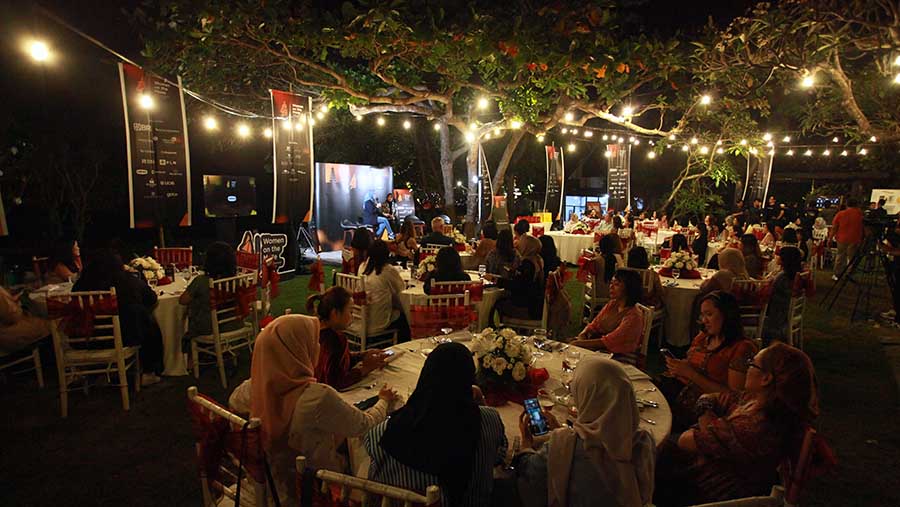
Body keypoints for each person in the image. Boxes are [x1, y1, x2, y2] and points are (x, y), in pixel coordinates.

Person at [229, 314, 400, 505]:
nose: (318, 347)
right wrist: (384, 401)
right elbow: (365, 424)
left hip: (265, 481)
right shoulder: (316, 397)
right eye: (313, 341)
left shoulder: (245, 392)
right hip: (317, 488)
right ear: (298, 349)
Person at [654, 343, 818, 506]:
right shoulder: (758, 401)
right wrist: (710, 417)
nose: (747, 368)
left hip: (706, 492)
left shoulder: (754, 427)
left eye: (752, 364)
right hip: (704, 470)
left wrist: (704, 413)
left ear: (766, 378)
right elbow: (716, 397)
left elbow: (686, 440)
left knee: (642, 456)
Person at [365, 342, 507, 507]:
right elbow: (499, 457)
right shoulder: (489, 420)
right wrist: (481, 404)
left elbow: (373, 490)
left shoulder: (380, 435)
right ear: (469, 381)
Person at [515, 356, 655, 507]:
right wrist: (562, 430)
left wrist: (525, 444)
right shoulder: (644, 441)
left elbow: (530, 471)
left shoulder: (564, 445)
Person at [660, 291, 759, 431]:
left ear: (726, 314)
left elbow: (734, 397)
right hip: (680, 388)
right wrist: (679, 367)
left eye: (709, 314)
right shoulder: (704, 337)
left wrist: (690, 374)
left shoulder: (741, 348)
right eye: (702, 315)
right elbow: (692, 365)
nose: (704, 320)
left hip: (704, 407)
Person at [73, 249, 164, 386]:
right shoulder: (125, 281)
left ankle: (97, 373)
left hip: (87, 338)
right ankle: (148, 371)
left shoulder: (80, 285)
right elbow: (151, 299)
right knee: (147, 321)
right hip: (124, 338)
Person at [308, 286, 387, 390]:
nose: (352, 316)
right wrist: (365, 369)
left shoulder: (315, 330)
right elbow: (336, 382)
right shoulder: (334, 339)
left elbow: (338, 363)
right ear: (335, 313)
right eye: (350, 311)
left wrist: (363, 355)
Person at [179, 242, 243, 356]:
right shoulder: (238, 280)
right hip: (235, 323)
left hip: (210, 328)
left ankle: (187, 358)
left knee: (191, 318)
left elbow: (182, 301)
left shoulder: (201, 281)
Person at [571, 269, 645, 362]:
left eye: (616, 284)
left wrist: (580, 343)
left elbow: (609, 342)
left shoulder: (633, 316)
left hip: (620, 355)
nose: (611, 287)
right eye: (611, 283)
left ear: (629, 289)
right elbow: (594, 324)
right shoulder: (613, 304)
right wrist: (583, 334)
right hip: (602, 348)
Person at [358, 240, 410, 342]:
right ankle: (403, 345)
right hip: (379, 320)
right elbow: (402, 291)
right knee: (405, 317)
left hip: (362, 318)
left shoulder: (362, 267)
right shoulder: (387, 270)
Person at [490, 235, 545, 321]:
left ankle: (496, 330)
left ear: (527, 247)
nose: (518, 244)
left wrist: (496, 280)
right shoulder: (537, 260)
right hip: (535, 305)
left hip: (526, 308)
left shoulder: (528, 264)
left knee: (495, 306)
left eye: (521, 243)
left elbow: (517, 286)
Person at [762, 246, 804, 345]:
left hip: (777, 314)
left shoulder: (782, 278)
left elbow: (768, 294)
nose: (776, 257)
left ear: (784, 259)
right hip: (785, 309)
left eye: (779, 255)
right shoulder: (796, 275)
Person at [0, 285, 49, 354]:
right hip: (8, 336)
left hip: (7, 330)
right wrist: (16, 304)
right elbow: (12, 317)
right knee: (50, 325)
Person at [830, 197, 864, 280]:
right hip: (855, 238)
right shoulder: (860, 214)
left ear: (847, 204)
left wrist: (830, 238)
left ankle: (837, 274)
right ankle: (849, 274)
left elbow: (835, 227)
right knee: (851, 257)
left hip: (841, 238)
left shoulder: (841, 214)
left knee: (840, 256)